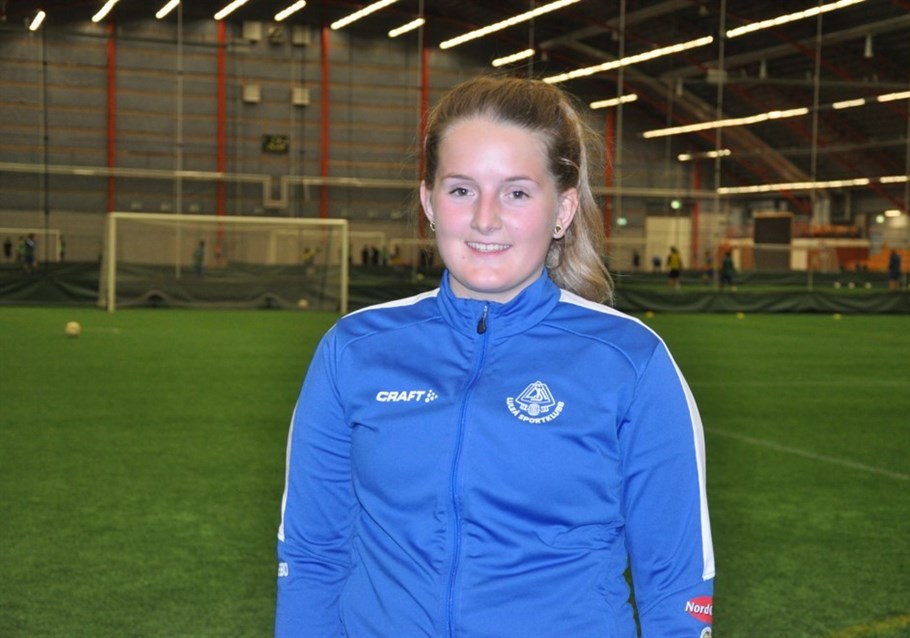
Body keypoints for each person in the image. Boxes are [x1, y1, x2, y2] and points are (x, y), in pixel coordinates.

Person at [274, 76, 715, 638]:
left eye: (517, 193)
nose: (485, 219)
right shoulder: (354, 350)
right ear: (429, 202)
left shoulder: (631, 361)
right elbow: (312, 556)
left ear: (563, 209)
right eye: (461, 190)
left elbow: (675, 581)